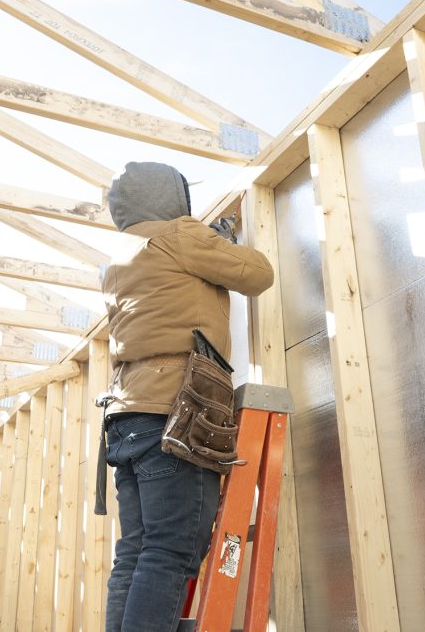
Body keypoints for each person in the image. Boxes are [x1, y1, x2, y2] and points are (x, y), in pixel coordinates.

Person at [100, 161, 274, 631]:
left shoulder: (121, 255)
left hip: (127, 417)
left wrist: (206, 245)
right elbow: (258, 274)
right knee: (172, 550)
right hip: (173, 414)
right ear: (172, 197)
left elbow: (172, 293)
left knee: (136, 554)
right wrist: (215, 241)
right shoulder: (181, 233)